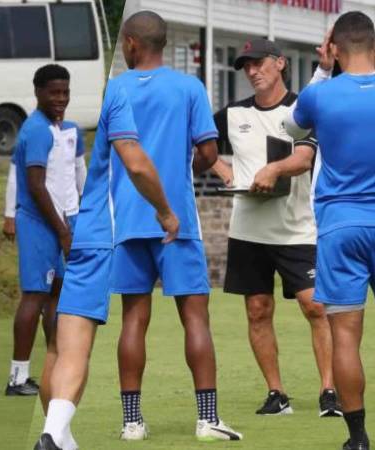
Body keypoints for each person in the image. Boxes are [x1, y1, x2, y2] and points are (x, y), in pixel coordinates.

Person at [109, 11, 242, 442]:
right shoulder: (189, 87)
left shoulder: (115, 89)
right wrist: (186, 165)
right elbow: (208, 150)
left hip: (128, 219)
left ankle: (132, 423)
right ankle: (207, 419)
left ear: (130, 43)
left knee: (134, 318)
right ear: (163, 43)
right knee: (195, 317)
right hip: (177, 220)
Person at [32, 71, 180, 450]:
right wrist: (165, 211)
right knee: (110, 329)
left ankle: (54, 434)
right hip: (104, 235)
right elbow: (136, 164)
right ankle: (56, 434)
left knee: (67, 347)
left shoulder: (94, 107)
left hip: (83, 231)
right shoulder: (118, 94)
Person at [211, 37, 340, 417]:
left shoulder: (305, 108)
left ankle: (329, 391)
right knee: (257, 310)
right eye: (245, 66)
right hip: (247, 231)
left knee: (315, 306)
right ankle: (276, 394)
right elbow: (196, 144)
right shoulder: (232, 115)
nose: (252, 72)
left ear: (280, 63)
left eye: (258, 63)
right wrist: (223, 169)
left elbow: (303, 160)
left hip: (298, 229)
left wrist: (273, 170)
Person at [285, 11, 375, 450]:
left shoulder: (320, 96)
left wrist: (323, 68)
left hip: (341, 226)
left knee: (345, 335)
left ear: (334, 48)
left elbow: (290, 127)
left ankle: (357, 438)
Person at [4, 64, 87, 398]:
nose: (61, 99)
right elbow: (36, 186)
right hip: (40, 222)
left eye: (65, 92)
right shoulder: (36, 129)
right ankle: (16, 377)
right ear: (38, 92)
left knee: (57, 293)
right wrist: (62, 232)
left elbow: (74, 179)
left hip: (63, 219)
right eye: (54, 92)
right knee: (35, 295)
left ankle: (54, 367)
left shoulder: (68, 130)